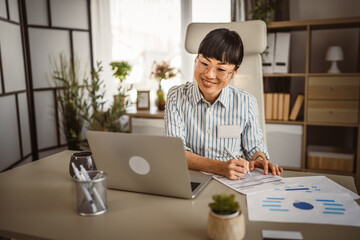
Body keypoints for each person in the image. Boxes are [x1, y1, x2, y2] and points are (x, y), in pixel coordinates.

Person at [164, 28, 283, 180]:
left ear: (235, 71)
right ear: (196, 59)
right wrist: (220, 167)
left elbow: (254, 147)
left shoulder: (247, 102)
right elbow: (175, 152)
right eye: (204, 63)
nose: (209, 74)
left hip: (233, 182)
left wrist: (259, 160)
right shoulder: (176, 96)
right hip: (190, 180)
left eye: (220, 69)